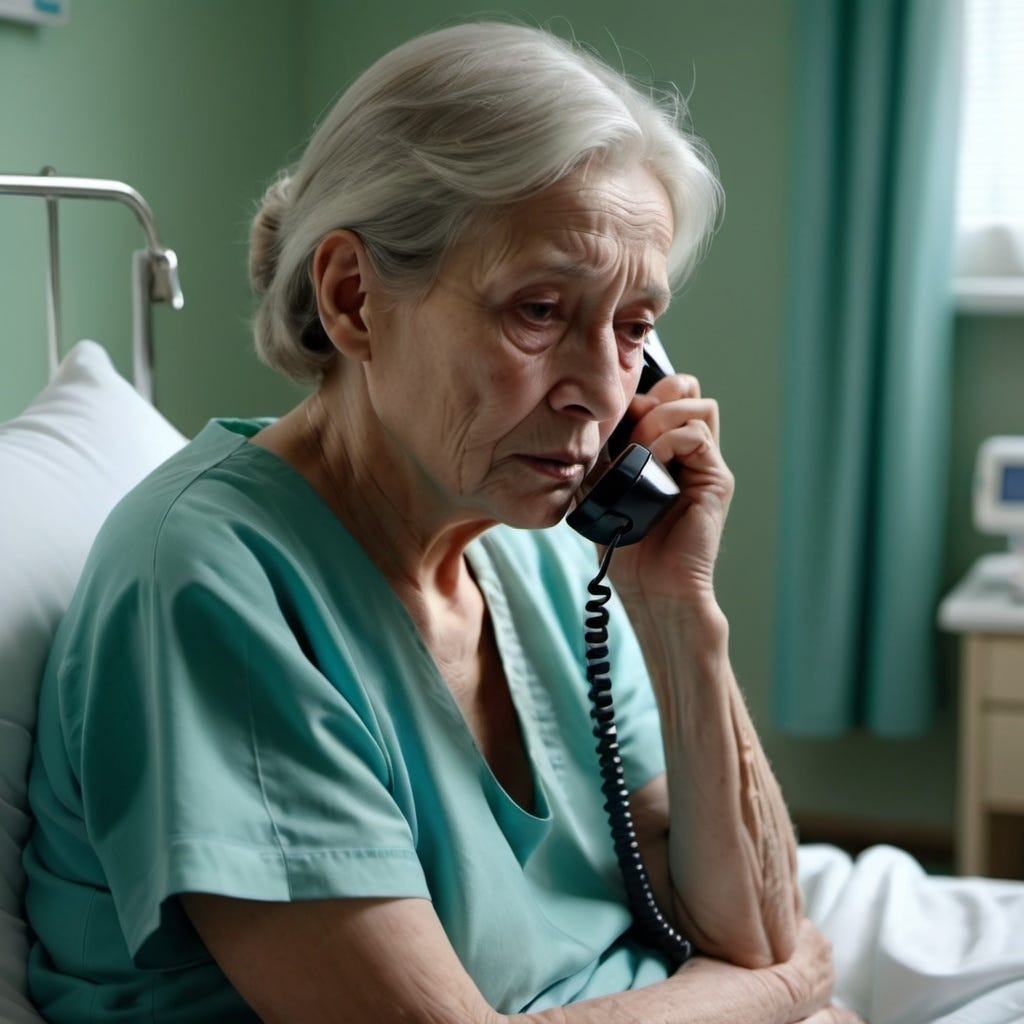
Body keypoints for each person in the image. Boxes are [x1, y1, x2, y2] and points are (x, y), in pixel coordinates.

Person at [23, 21, 863, 1024]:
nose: (600, 391)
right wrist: (772, 992)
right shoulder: (205, 582)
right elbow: (772, 961)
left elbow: (753, 924)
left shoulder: (539, 549)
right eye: (540, 310)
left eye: (634, 326)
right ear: (353, 299)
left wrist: (680, 611)